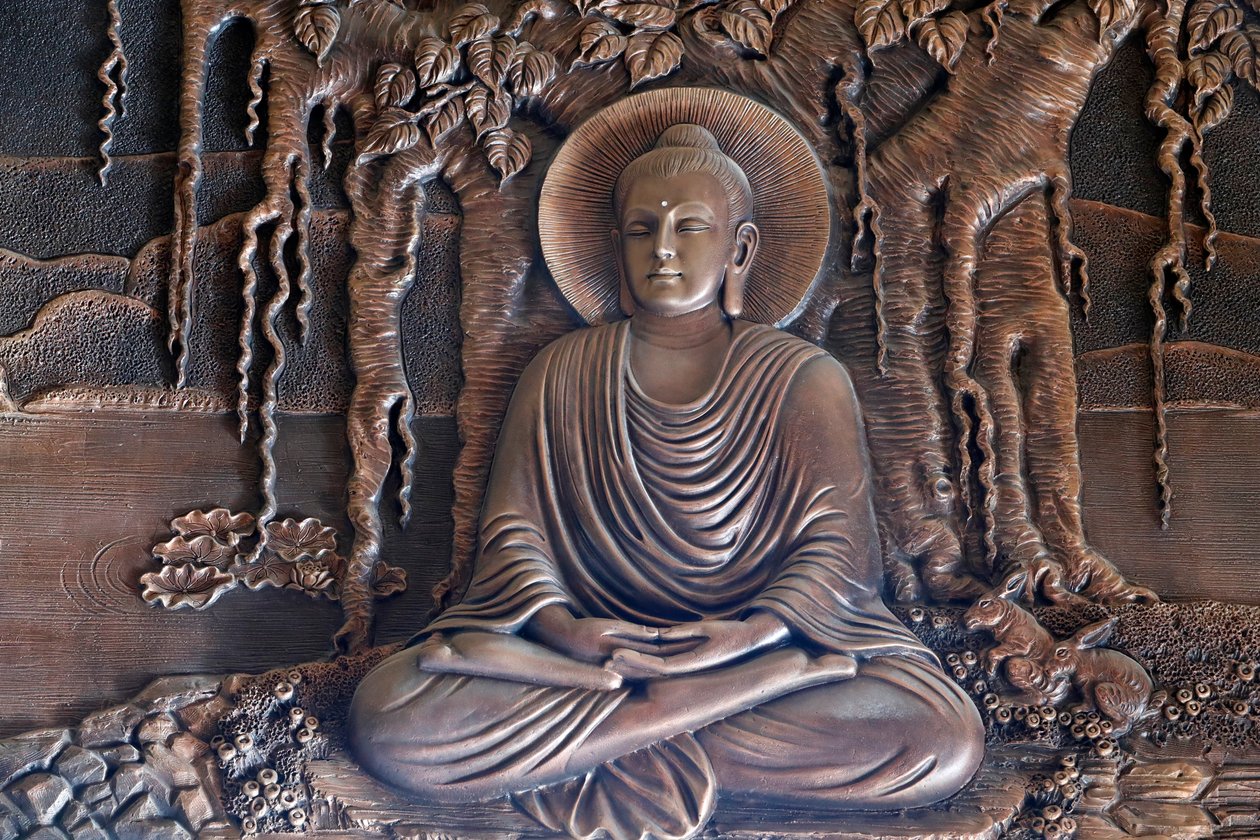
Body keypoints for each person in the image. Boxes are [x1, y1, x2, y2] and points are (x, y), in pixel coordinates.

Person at [348, 121, 985, 839]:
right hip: (588, 656)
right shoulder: (561, 373)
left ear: (739, 249)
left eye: (690, 228)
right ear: (616, 248)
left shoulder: (803, 378)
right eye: (641, 230)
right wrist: (567, 629)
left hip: (745, 650)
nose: (664, 250)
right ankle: (682, 714)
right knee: (388, 714)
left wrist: (749, 636)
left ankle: (606, 741)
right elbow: (515, 539)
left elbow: (837, 557)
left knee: (941, 735)